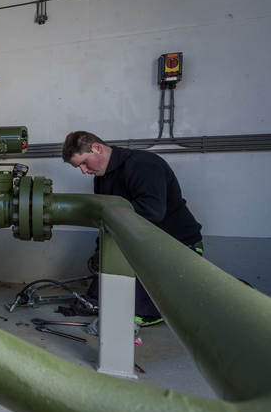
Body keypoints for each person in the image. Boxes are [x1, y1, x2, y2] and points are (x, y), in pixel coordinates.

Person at [62, 131, 203, 326]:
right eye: (79, 167)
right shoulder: (102, 177)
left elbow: (152, 211)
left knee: (132, 312)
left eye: (84, 163)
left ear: (97, 148)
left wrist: (111, 217)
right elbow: (106, 221)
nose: (84, 171)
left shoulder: (144, 165)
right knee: (98, 299)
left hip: (176, 247)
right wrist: (100, 251)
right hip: (141, 247)